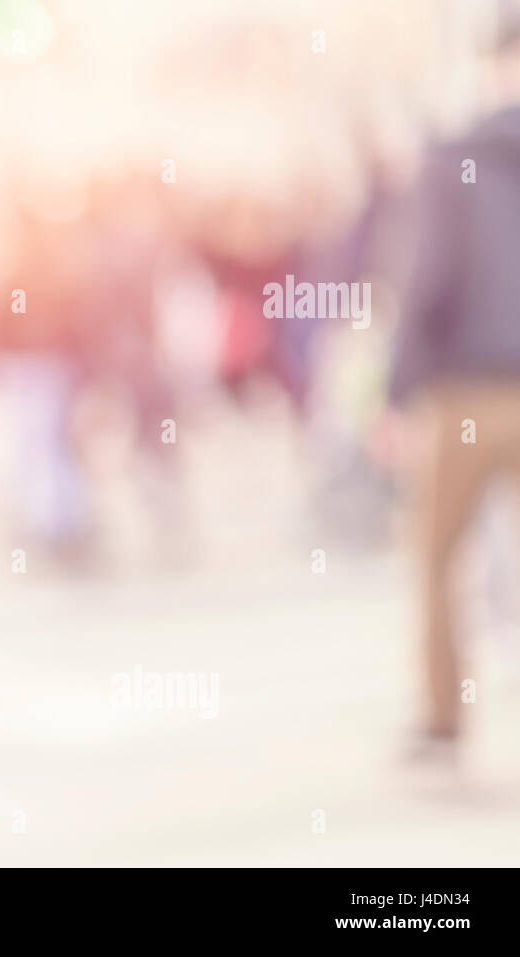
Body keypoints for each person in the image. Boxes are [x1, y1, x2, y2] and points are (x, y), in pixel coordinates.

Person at [387, 11, 520, 761]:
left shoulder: (455, 156)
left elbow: (429, 279)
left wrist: (398, 389)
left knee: (440, 556)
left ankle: (443, 716)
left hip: (466, 389)